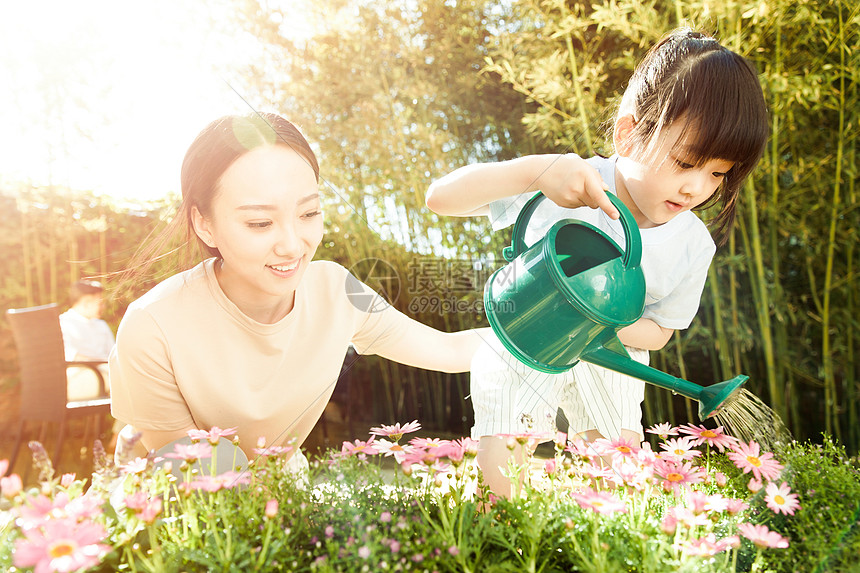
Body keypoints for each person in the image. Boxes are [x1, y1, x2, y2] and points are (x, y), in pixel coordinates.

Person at [425, 28, 768, 497]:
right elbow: (440, 198)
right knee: (506, 453)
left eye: (716, 174)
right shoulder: (570, 182)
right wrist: (536, 171)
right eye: (685, 162)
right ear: (629, 134)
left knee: (615, 477)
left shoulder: (693, 244)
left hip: (612, 361)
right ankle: (498, 529)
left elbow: (660, 330)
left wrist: (599, 320)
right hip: (528, 337)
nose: (696, 188)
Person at [109, 112, 484, 472]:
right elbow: (201, 479)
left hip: (278, 500)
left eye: (308, 214)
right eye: (260, 223)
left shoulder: (335, 290)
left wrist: (541, 341)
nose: (292, 245)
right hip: (170, 518)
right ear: (204, 224)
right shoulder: (153, 325)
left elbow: (448, 349)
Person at [60, 280, 115, 400]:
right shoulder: (63, 323)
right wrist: (102, 363)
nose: (103, 307)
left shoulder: (101, 325)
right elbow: (73, 357)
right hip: (75, 381)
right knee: (127, 381)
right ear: (86, 303)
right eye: (100, 303)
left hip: (105, 375)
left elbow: (114, 355)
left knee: (131, 378)